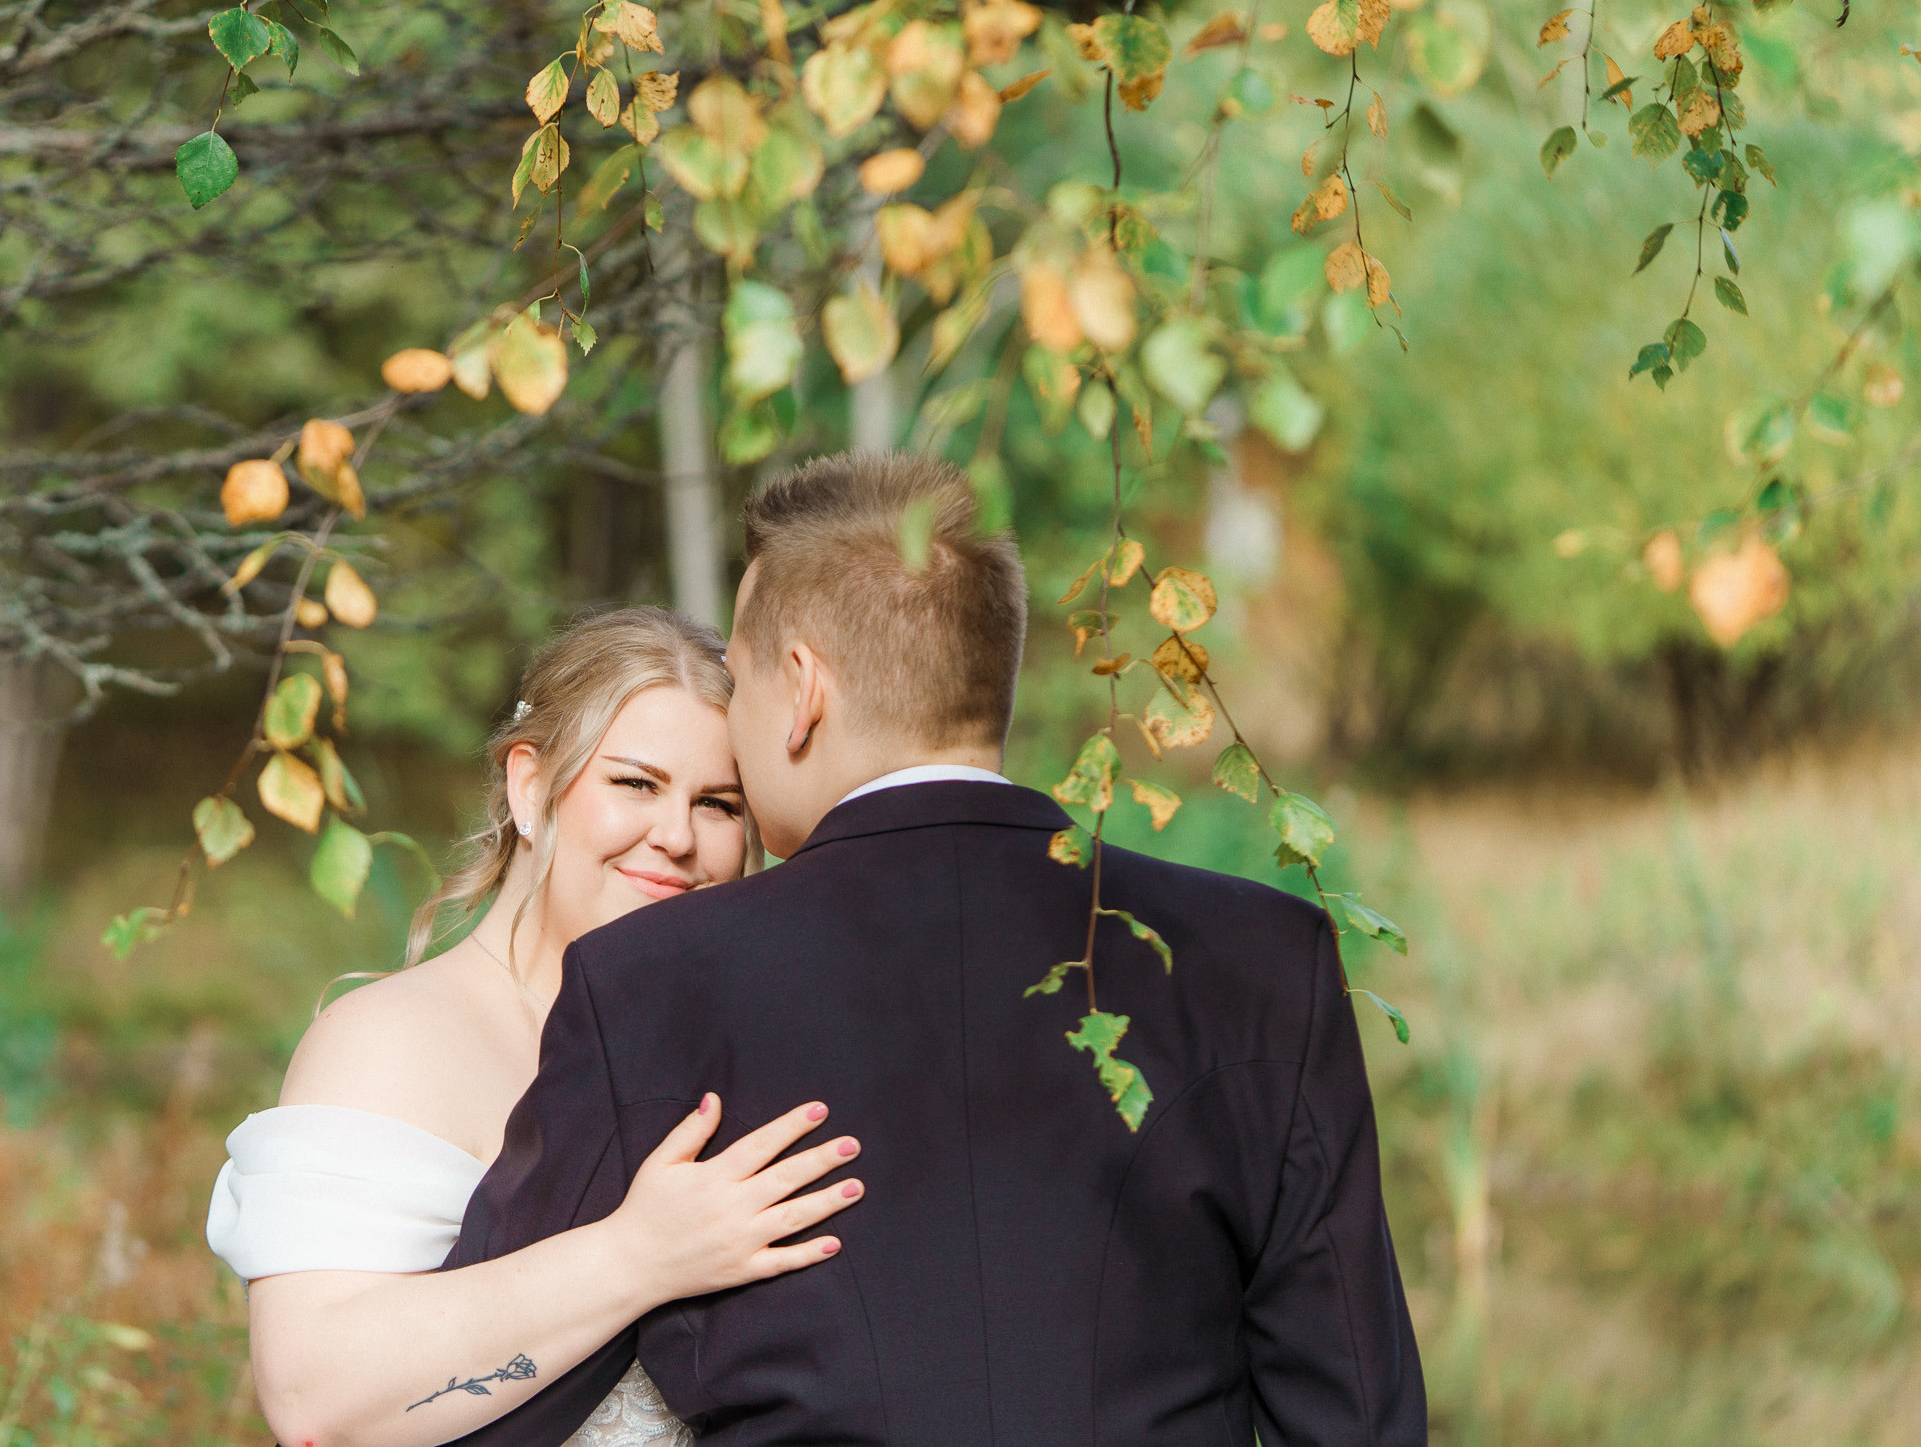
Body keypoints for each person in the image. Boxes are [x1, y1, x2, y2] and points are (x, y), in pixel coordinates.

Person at [449, 449, 1427, 1445]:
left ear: (802, 690)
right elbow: (1353, 1415)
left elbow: (481, 1403)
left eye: (737, 684)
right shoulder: (1262, 960)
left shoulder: (646, 981)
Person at [206, 607, 867, 1447]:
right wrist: (639, 1254)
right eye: (635, 783)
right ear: (530, 785)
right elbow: (315, 1401)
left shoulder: (751, 1051)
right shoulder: (392, 1040)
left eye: (718, 803)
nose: (676, 836)